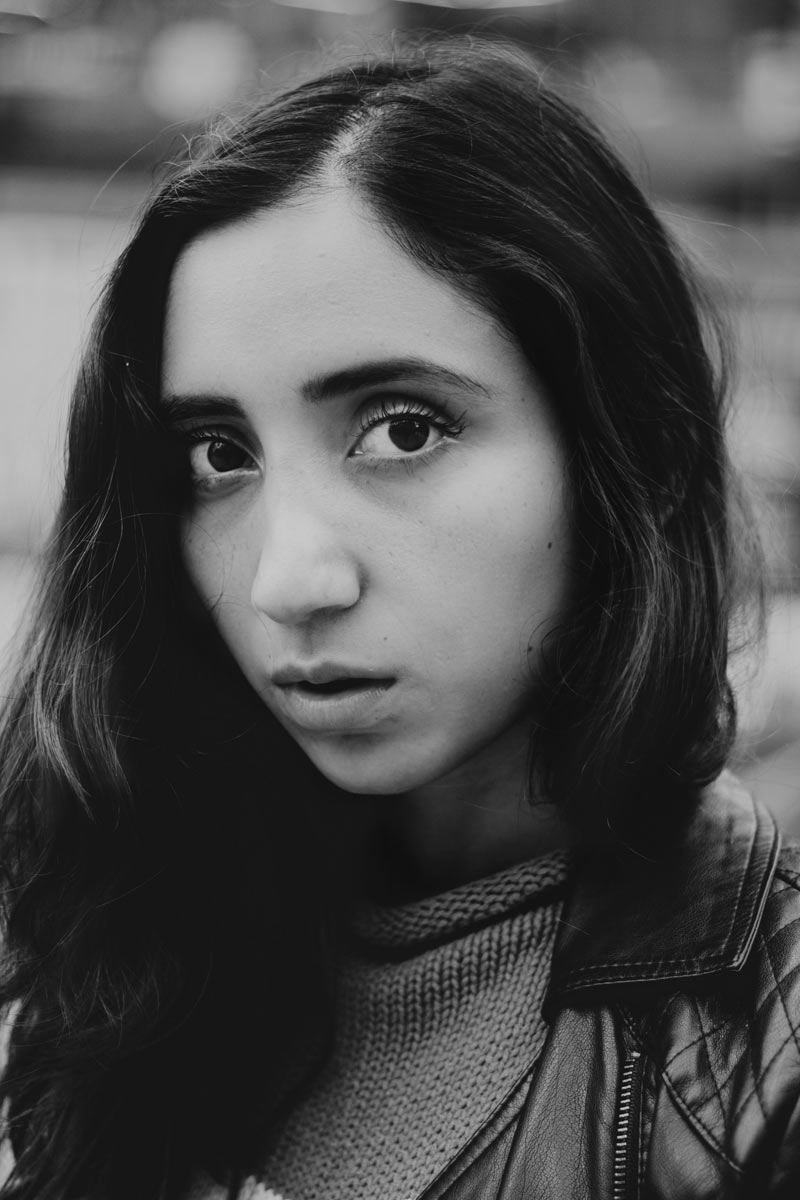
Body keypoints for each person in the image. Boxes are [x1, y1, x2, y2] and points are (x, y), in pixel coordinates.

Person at [0, 33, 798, 1200]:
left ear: (632, 449)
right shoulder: (116, 944)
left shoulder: (764, 1056)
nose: (287, 580)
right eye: (219, 455)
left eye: (401, 430)